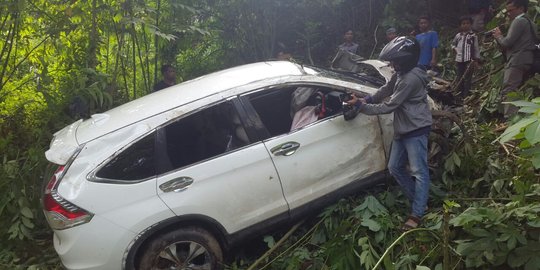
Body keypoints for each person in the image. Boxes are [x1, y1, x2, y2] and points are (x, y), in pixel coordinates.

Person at [346, 36, 433, 230]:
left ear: (405, 60)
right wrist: (367, 98)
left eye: (394, 61)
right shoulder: (402, 73)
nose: (391, 65)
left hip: (416, 128)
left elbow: (390, 105)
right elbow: (387, 88)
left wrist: (362, 107)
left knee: (419, 172)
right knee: (395, 168)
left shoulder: (410, 79)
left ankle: (417, 213)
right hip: (404, 127)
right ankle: (421, 201)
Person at [493, 0, 537, 117]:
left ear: (521, 8)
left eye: (511, 10)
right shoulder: (530, 22)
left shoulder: (518, 21)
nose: (508, 13)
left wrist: (498, 36)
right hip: (527, 60)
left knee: (509, 89)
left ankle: (510, 118)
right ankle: (519, 116)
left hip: (517, 60)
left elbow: (507, 42)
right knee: (517, 89)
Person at [451, 16, 481, 101]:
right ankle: (458, 95)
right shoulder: (458, 36)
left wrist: (477, 60)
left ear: (471, 24)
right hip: (459, 59)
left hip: (469, 60)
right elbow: (453, 44)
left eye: (467, 23)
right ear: (460, 25)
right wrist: (454, 49)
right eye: (463, 23)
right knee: (459, 77)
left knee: (468, 78)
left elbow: (476, 48)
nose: (465, 25)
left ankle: (466, 96)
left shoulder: (473, 36)